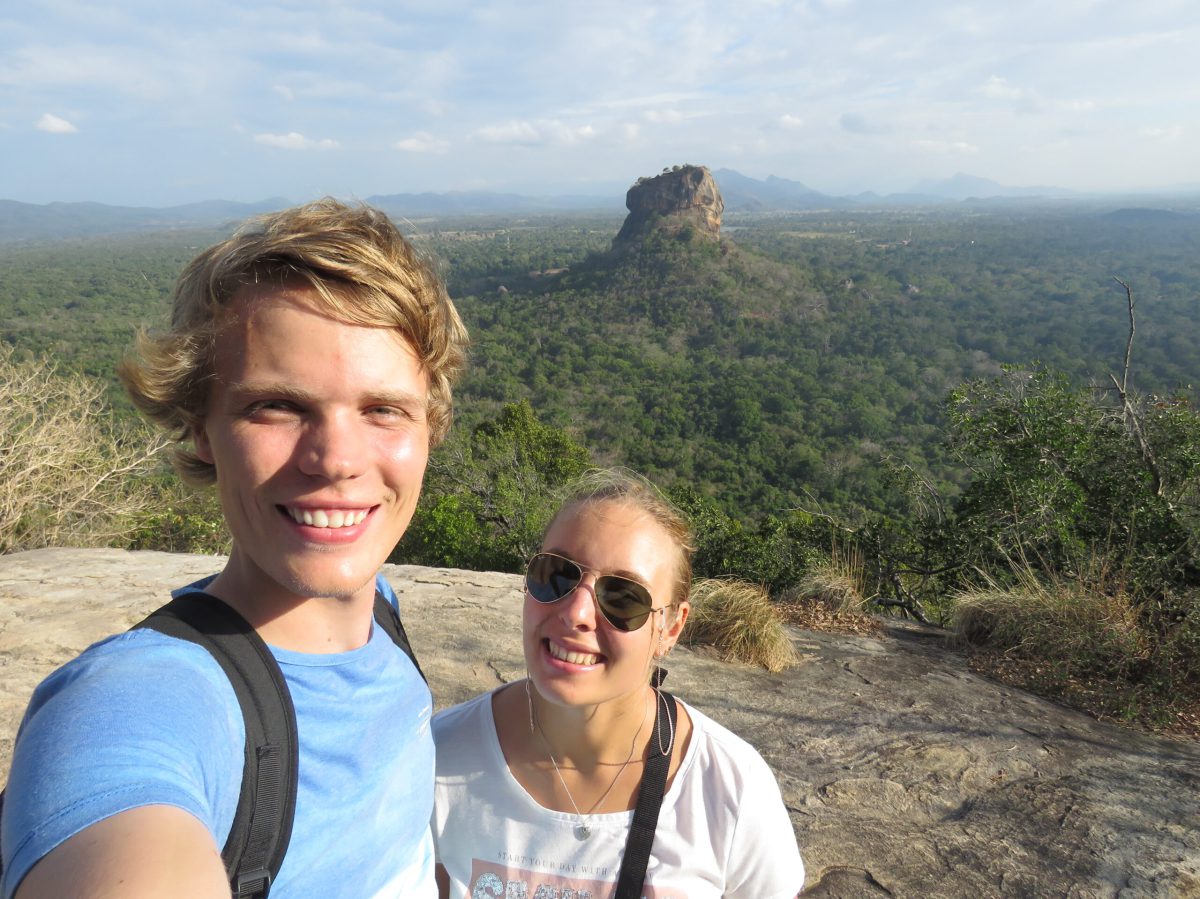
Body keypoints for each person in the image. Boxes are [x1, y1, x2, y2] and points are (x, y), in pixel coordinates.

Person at [1, 199, 468, 899]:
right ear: (202, 431)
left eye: (383, 409)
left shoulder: (382, 616)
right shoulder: (138, 701)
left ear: (429, 428)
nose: (337, 459)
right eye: (277, 406)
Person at [432, 469, 804, 898]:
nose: (576, 613)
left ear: (671, 628)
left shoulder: (728, 788)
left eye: (624, 597)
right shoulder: (439, 757)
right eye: (557, 574)